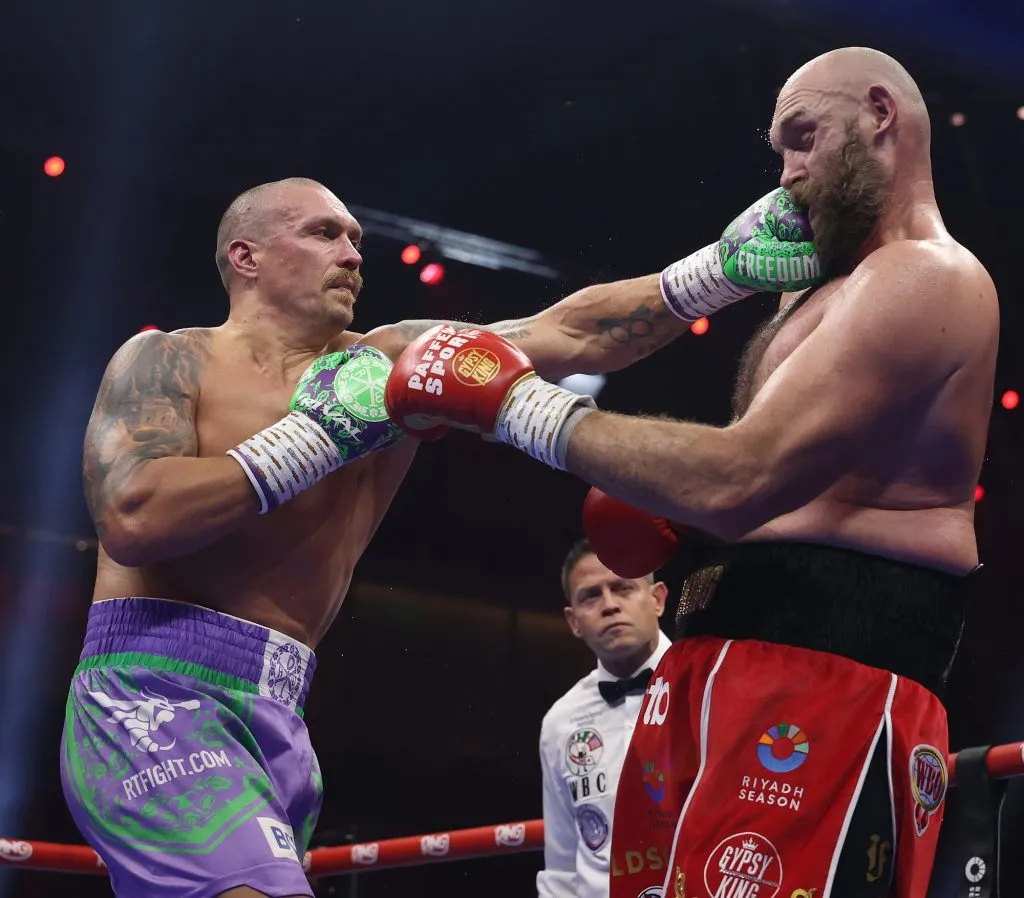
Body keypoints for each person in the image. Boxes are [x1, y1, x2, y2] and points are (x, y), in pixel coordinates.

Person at [61, 175, 816, 898]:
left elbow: (568, 334)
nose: (353, 254)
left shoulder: (388, 363)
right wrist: (316, 438)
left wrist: (719, 269)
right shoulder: (169, 360)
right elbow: (135, 517)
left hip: (280, 709)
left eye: (356, 238)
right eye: (324, 233)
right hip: (151, 692)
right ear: (245, 257)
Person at [384, 46, 1000, 898]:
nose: (785, 174)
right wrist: (395, 357)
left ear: (880, 115)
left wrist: (510, 406)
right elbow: (585, 334)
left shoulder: (926, 278)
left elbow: (741, 480)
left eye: (802, 137)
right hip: (717, 665)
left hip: (829, 677)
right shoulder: (813, 285)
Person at [538, 540, 671, 898]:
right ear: (574, 621)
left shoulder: (708, 687)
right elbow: (562, 866)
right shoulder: (561, 723)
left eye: (623, 587)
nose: (610, 605)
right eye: (591, 596)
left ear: (657, 599)